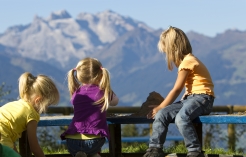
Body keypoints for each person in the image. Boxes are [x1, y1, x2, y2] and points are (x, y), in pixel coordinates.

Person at [143, 26, 215, 157]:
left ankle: (194, 151)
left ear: (172, 48)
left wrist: (160, 106)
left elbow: (176, 89)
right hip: (190, 98)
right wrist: (162, 109)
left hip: (203, 99)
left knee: (181, 118)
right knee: (162, 114)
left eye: (166, 51)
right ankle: (155, 149)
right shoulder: (187, 61)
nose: (166, 54)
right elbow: (189, 88)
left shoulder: (188, 62)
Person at [60, 57, 119, 157]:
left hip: (72, 140)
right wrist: (106, 88)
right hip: (93, 140)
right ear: (101, 76)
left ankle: (81, 153)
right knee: (93, 153)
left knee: (89, 154)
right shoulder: (103, 92)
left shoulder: (76, 93)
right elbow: (115, 101)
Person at [0, 72, 60, 157]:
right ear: (38, 100)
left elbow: (8, 138)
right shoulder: (31, 115)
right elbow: (34, 147)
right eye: (48, 105)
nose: (47, 109)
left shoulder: (17, 104)